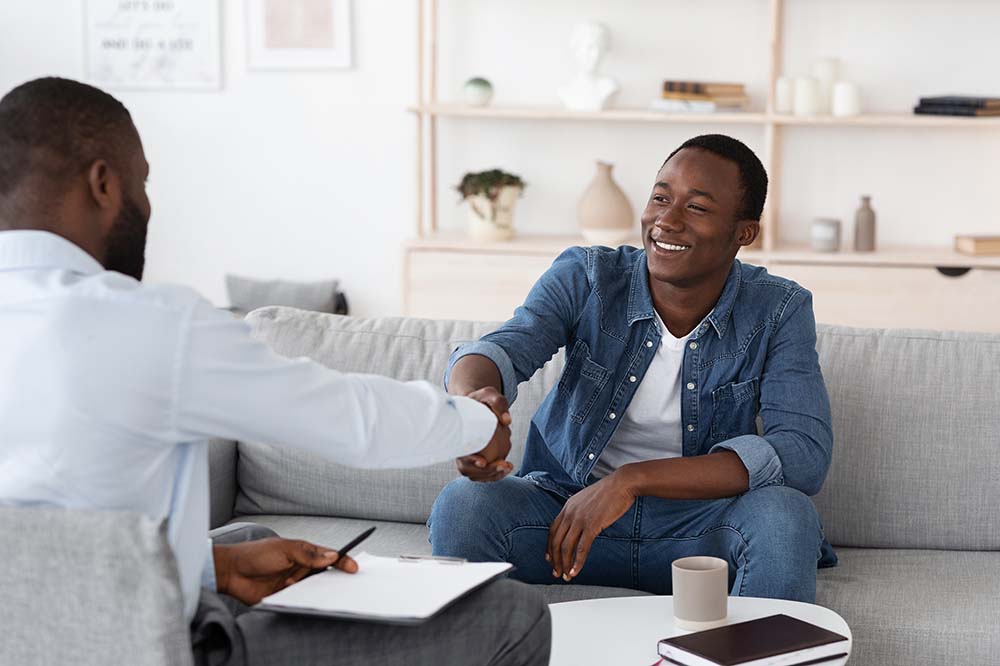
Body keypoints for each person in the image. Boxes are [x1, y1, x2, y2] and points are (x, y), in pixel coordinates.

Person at [0, 77, 548, 666]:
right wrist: (476, 420)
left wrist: (214, 569)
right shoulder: (147, 325)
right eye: (143, 183)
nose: (149, 206)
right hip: (144, 648)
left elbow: (44, 554)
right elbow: (350, 420)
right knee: (514, 616)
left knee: (249, 544)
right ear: (103, 183)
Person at [430, 134, 837, 603]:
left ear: (743, 233)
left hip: (699, 531)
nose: (666, 219)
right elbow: (501, 351)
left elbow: (802, 454)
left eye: (697, 208)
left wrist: (633, 479)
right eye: (661, 197)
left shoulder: (778, 308)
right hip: (568, 520)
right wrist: (473, 405)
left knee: (786, 517)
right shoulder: (588, 277)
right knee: (463, 506)